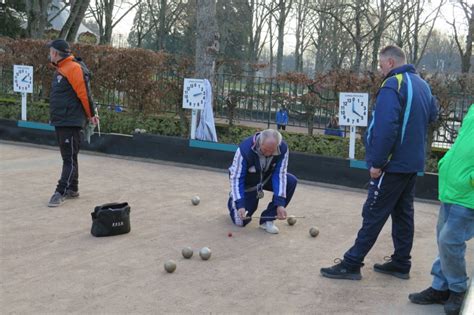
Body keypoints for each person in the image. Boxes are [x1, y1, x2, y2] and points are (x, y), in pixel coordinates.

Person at [320, 45, 438, 280]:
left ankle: (352, 263)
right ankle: (401, 262)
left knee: (374, 211)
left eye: (381, 63)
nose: (380, 68)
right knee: (404, 213)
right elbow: (433, 116)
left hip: (392, 165)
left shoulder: (393, 84)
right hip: (412, 163)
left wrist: (377, 162)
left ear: (391, 63)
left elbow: (386, 127)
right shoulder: (423, 85)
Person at [408, 104, 473, 315]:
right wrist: (447, 164)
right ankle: (440, 287)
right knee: (443, 241)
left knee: (449, 240)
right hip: (453, 188)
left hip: (468, 194)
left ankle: (457, 288)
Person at [47, 39, 99, 207]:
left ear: (55, 53)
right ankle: (72, 188)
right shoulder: (61, 69)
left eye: (50, 51)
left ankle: (60, 191)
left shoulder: (73, 68)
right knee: (70, 156)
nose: (49, 54)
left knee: (68, 158)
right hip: (63, 120)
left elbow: (85, 94)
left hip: (70, 121)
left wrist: (91, 115)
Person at [227, 129, 297, 234]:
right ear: (260, 143)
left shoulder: (283, 149)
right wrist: (240, 204)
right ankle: (233, 199)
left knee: (290, 181)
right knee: (241, 221)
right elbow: (237, 178)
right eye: (265, 150)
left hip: (267, 177)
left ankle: (267, 219)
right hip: (248, 183)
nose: (268, 154)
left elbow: (280, 174)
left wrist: (280, 203)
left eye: (272, 151)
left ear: (277, 145)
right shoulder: (244, 150)